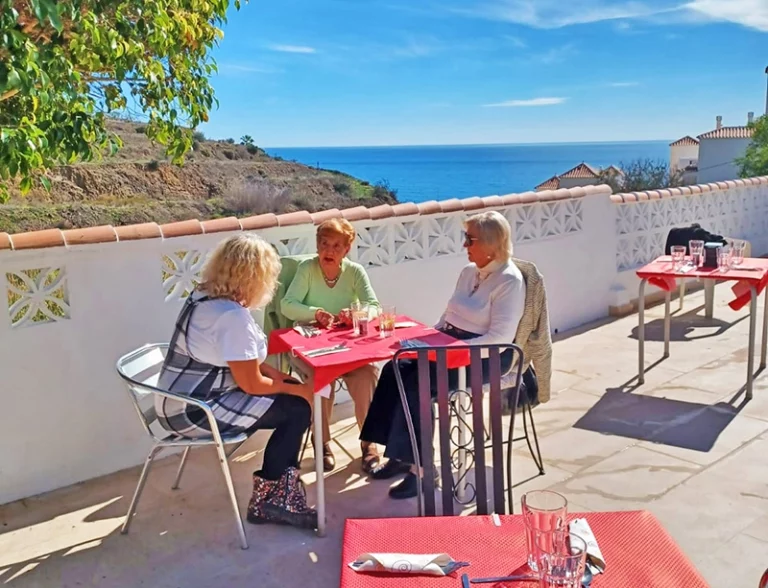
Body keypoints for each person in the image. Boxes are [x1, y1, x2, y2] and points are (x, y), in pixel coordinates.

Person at [360, 210, 526, 499]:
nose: (464, 245)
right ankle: (400, 455)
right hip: (449, 344)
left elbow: (499, 339)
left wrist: (447, 349)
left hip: (484, 356)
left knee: (416, 385)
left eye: (470, 239)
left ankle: (422, 470)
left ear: (490, 244)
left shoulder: (509, 281)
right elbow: (450, 315)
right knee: (394, 368)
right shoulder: (468, 272)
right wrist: (426, 339)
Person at [156, 233, 317, 530]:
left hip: (175, 398)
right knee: (298, 410)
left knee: (292, 397)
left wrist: (280, 377)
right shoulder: (231, 318)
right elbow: (252, 385)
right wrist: (298, 389)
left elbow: (242, 361)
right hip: (194, 410)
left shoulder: (203, 297)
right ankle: (270, 500)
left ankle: (282, 482)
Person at [281, 218, 381, 473]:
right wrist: (315, 313)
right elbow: (287, 305)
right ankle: (322, 442)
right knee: (321, 379)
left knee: (368, 374)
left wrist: (357, 314)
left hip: (346, 350)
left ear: (347, 249)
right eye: (324, 244)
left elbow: (374, 305)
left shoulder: (355, 271)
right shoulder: (307, 269)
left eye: (337, 246)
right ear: (317, 245)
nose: (329, 251)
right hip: (311, 350)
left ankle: (369, 442)